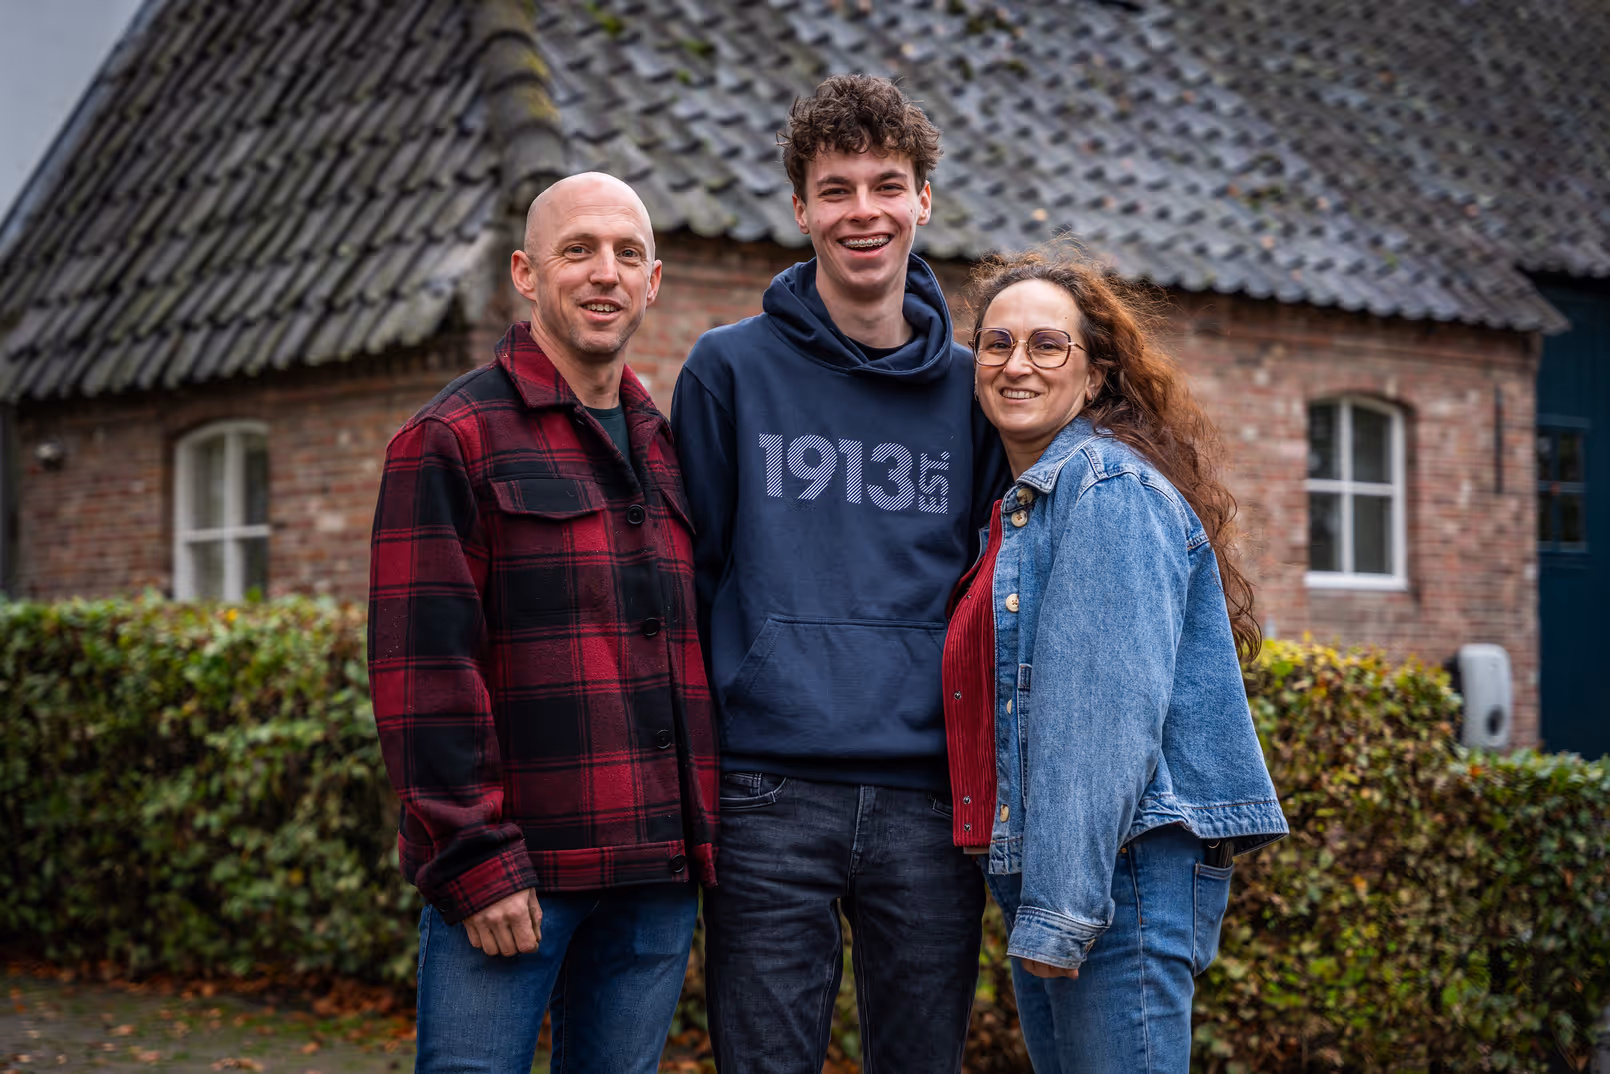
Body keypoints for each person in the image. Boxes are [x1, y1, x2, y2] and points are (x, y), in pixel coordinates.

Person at [671, 76, 1007, 1073]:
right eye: (837, 188)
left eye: (886, 184)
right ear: (801, 209)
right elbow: (697, 571)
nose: (863, 210)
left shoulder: (971, 387)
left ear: (922, 202)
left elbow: (987, 584)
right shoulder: (726, 371)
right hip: (769, 789)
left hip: (926, 797)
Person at [368, 172, 719, 1074]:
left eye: (626, 254)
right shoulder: (450, 439)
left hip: (652, 875)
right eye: (579, 251)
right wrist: (474, 858)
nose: (604, 273)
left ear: (653, 281)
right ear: (527, 273)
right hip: (518, 879)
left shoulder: (667, 444)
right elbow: (423, 674)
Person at [943, 249, 1289, 1073]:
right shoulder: (1038, 502)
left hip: (1113, 886)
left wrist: (1061, 909)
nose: (1015, 364)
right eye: (995, 344)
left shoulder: (1103, 490)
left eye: (1046, 345)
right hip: (1087, 880)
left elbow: (1101, 724)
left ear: (1096, 376)